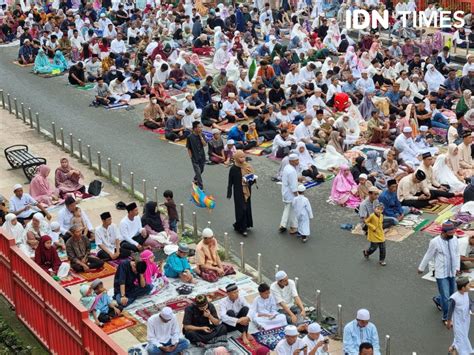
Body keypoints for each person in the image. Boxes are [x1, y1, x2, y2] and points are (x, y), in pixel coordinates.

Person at [418, 221, 460, 324]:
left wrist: (457, 267)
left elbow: (457, 253)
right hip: (441, 273)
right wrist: (421, 268)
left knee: (450, 294)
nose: (452, 235)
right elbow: (428, 255)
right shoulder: (435, 242)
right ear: (443, 232)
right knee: (446, 297)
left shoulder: (454, 239)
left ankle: (437, 299)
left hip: (452, 272)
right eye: (450, 233)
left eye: (453, 233)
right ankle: (446, 317)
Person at [227, 150, 255, 236]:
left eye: (243, 157)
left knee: (246, 208)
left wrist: (250, 180)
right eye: (240, 157)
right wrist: (229, 193)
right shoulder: (233, 169)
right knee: (241, 209)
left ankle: (245, 225)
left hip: (247, 190)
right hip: (238, 191)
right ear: (236, 158)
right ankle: (241, 229)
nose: (243, 159)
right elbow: (230, 181)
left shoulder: (248, 167)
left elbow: (253, 179)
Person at [446, 277, 473, 355]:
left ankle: (452, 348)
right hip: (458, 323)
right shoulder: (455, 298)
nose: (470, 286)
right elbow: (450, 311)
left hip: (466, 320)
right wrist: (448, 322)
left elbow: (470, 303)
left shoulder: (466, 293)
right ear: (463, 288)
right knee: (461, 339)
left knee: (462, 337)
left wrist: (472, 309)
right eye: (468, 285)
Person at [279, 154, 300, 234]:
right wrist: (297, 195)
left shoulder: (287, 167)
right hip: (290, 194)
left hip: (285, 192)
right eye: (296, 160)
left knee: (287, 208)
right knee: (293, 210)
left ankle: (283, 225)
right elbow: (293, 186)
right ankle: (293, 226)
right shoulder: (292, 171)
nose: (298, 162)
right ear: (291, 161)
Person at [187, 121, 207, 190]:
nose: (201, 128)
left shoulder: (202, 135)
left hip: (202, 156)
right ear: (195, 128)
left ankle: (195, 179)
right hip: (194, 158)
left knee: (201, 170)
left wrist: (201, 136)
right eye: (199, 127)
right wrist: (191, 157)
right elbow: (188, 147)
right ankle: (201, 187)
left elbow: (204, 145)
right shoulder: (190, 137)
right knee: (198, 172)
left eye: (201, 127)